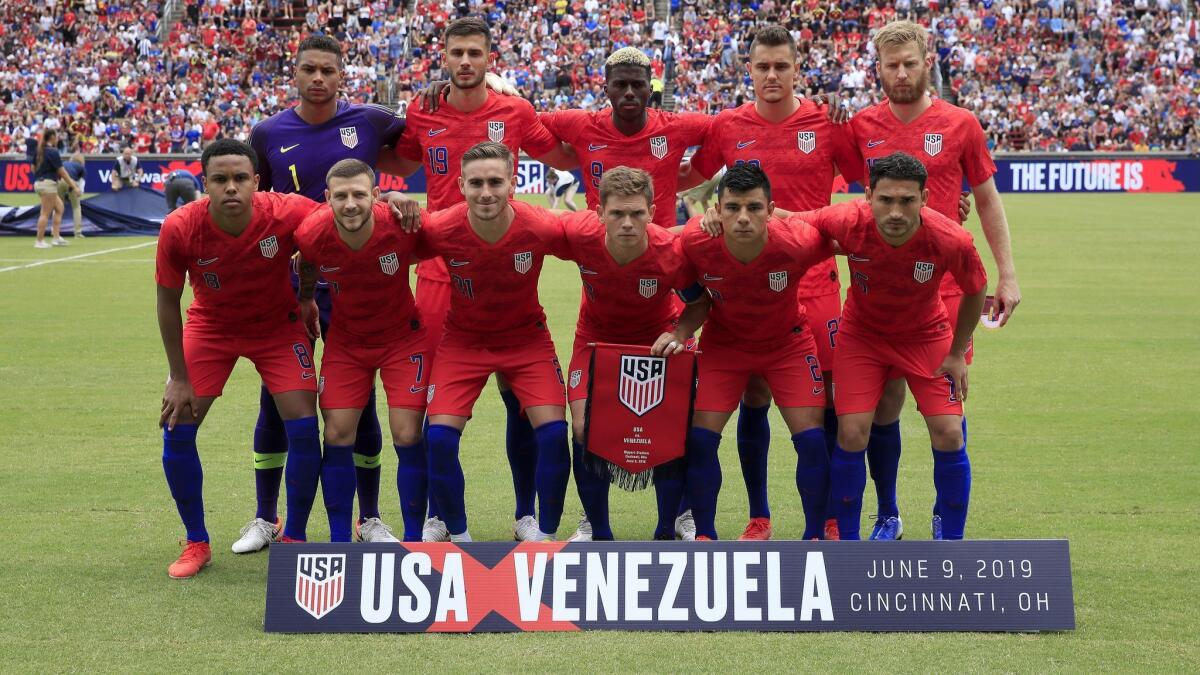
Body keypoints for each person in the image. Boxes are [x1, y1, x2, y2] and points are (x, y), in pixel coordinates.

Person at [392, 17, 574, 543]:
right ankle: (437, 514)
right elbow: (396, 159)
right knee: (433, 403)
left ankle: (526, 514)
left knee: (521, 399)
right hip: (438, 269)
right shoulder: (422, 108)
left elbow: (563, 150)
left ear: (490, 58)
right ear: (443, 57)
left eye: (475, 53)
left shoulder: (515, 111)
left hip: (501, 266)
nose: (466, 61)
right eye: (457, 53)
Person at [680, 26, 860, 540]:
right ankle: (759, 516)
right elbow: (691, 183)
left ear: (797, 68)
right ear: (750, 70)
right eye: (763, 67)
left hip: (814, 281)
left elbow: (873, 185)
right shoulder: (728, 126)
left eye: (782, 66)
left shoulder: (826, 122)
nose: (772, 75)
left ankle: (826, 518)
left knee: (822, 401)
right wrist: (704, 216)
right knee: (753, 397)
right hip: (747, 287)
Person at [844, 20, 1020, 540]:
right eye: (891, 65)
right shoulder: (859, 126)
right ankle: (888, 513)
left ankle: (946, 524)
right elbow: (859, 196)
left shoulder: (961, 124)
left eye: (910, 63)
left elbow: (985, 198)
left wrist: (1006, 275)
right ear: (878, 69)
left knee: (947, 406)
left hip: (947, 289)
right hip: (882, 290)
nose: (901, 73)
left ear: (928, 63)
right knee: (885, 404)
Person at [239, 34, 413, 552]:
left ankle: (370, 518)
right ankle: (265, 518)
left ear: (343, 76)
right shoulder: (267, 132)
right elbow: (258, 208)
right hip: (290, 289)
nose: (318, 79)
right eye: (309, 70)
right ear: (295, 74)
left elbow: (423, 144)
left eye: (327, 71)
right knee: (277, 401)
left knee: (358, 407)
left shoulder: (370, 121)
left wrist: (401, 195)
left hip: (358, 290)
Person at [794, 152, 987, 541]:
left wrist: (956, 351)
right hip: (862, 336)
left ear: (925, 198)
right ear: (868, 196)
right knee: (851, 433)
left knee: (950, 432)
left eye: (907, 200)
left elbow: (976, 288)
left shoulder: (950, 237)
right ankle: (849, 546)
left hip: (927, 335)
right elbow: (792, 221)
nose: (896, 211)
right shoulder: (847, 219)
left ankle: (952, 544)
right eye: (886, 200)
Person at [154, 139, 322, 578]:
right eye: (220, 179)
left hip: (278, 327)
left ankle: (296, 539)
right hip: (212, 327)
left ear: (257, 181)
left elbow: (338, 222)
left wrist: (306, 297)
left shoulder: (289, 210)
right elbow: (167, 303)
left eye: (240, 178)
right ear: (204, 184)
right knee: (178, 425)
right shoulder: (180, 226)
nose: (231, 187)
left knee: (304, 427)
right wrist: (178, 376)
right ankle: (196, 542)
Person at [655, 164, 834, 541]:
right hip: (725, 344)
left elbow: (859, 237)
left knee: (811, 440)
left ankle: (815, 535)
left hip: (788, 343)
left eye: (753, 207)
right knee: (701, 438)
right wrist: (680, 331)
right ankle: (705, 535)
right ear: (716, 210)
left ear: (771, 209)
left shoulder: (797, 240)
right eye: (732, 207)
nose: (742, 217)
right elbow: (656, 245)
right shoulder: (696, 241)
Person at [415, 141, 571, 543]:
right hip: (464, 340)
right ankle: (461, 538)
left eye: (496, 182)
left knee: (554, 434)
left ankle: (540, 532)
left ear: (513, 183)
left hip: (526, 339)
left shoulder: (541, 225)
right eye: (477, 183)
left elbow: (605, 235)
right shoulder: (439, 227)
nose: (486, 192)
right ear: (461, 186)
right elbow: (383, 241)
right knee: (438, 437)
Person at [554, 167, 700, 541]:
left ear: (652, 210)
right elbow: (527, 226)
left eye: (637, 213)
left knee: (671, 427)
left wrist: (679, 332)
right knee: (583, 427)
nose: (628, 223)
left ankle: (670, 525)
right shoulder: (579, 235)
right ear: (599, 213)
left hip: (657, 342)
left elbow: (701, 302)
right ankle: (597, 528)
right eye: (617, 213)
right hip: (595, 340)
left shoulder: (670, 251)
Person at [295, 159, 429, 543]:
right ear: (327, 198)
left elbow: (450, 238)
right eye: (340, 196)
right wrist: (306, 300)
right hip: (347, 344)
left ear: (376, 196)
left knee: (406, 435)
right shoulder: (311, 233)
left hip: (404, 341)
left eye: (358, 194)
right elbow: (306, 265)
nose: (350, 204)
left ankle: (415, 541)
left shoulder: (402, 224)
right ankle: (340, 542)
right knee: (336, 434)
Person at [539, 47, 712, 231]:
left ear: (650, 89)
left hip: (660, 254)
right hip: (598, 252)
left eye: (637, 85)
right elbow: (525, 118)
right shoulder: (582, 124)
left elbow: (728, 127)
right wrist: (504, 87)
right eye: (620, 85)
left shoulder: (675, 127)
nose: (629, 92)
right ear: (606, 90)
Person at [30, 129, 78, 248]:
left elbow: (32, 168)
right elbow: (62, 172)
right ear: (51, 137)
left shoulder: (39, 150)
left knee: (59, 207)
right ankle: (39, 241)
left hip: (39, 183)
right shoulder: (53, 151)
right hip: (47, 185)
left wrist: (41, 175)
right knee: (45, 213)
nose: (57, 139)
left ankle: (56, 238)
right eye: (56, 136)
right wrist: (73, 186)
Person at [60, 153, 85, 238]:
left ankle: (54, 231)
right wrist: (78, 193)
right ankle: (77, 233)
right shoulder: (81, 168)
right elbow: (81, 185)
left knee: (58, 207)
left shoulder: (64, 163)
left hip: (58, 181)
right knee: (76, 207)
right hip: (71, 181)